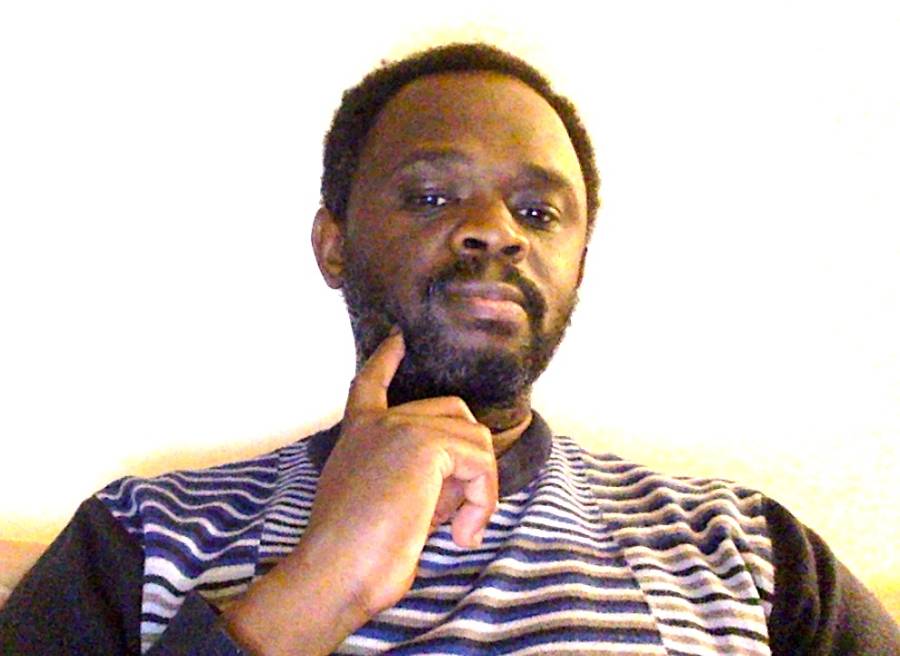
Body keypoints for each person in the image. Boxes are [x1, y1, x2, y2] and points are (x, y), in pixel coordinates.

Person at [0, 42, 897, 656]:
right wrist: (317, 591)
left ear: (578, 267)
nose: (495, 230)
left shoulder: (745, 550)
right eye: (431, 196)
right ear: (333, 245)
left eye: (538, 212)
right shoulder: (142, 537)